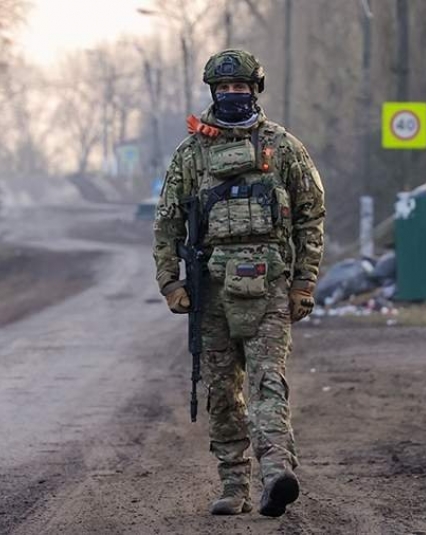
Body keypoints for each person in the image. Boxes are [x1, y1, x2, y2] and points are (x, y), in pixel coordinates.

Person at [152, 49, 325, 518]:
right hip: (209, 290)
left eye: (241, 88)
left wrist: (304, 283)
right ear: (213, 92)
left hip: (270, 285)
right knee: (223, 389)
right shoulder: (191, 153)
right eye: (224, 89)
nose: (233, 95)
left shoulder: (283, 146)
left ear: (255, 91)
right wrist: (171, 283)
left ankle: (276, 475)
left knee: (268, 380)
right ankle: (234, 484)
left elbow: (310, 215)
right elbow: (167, 221)